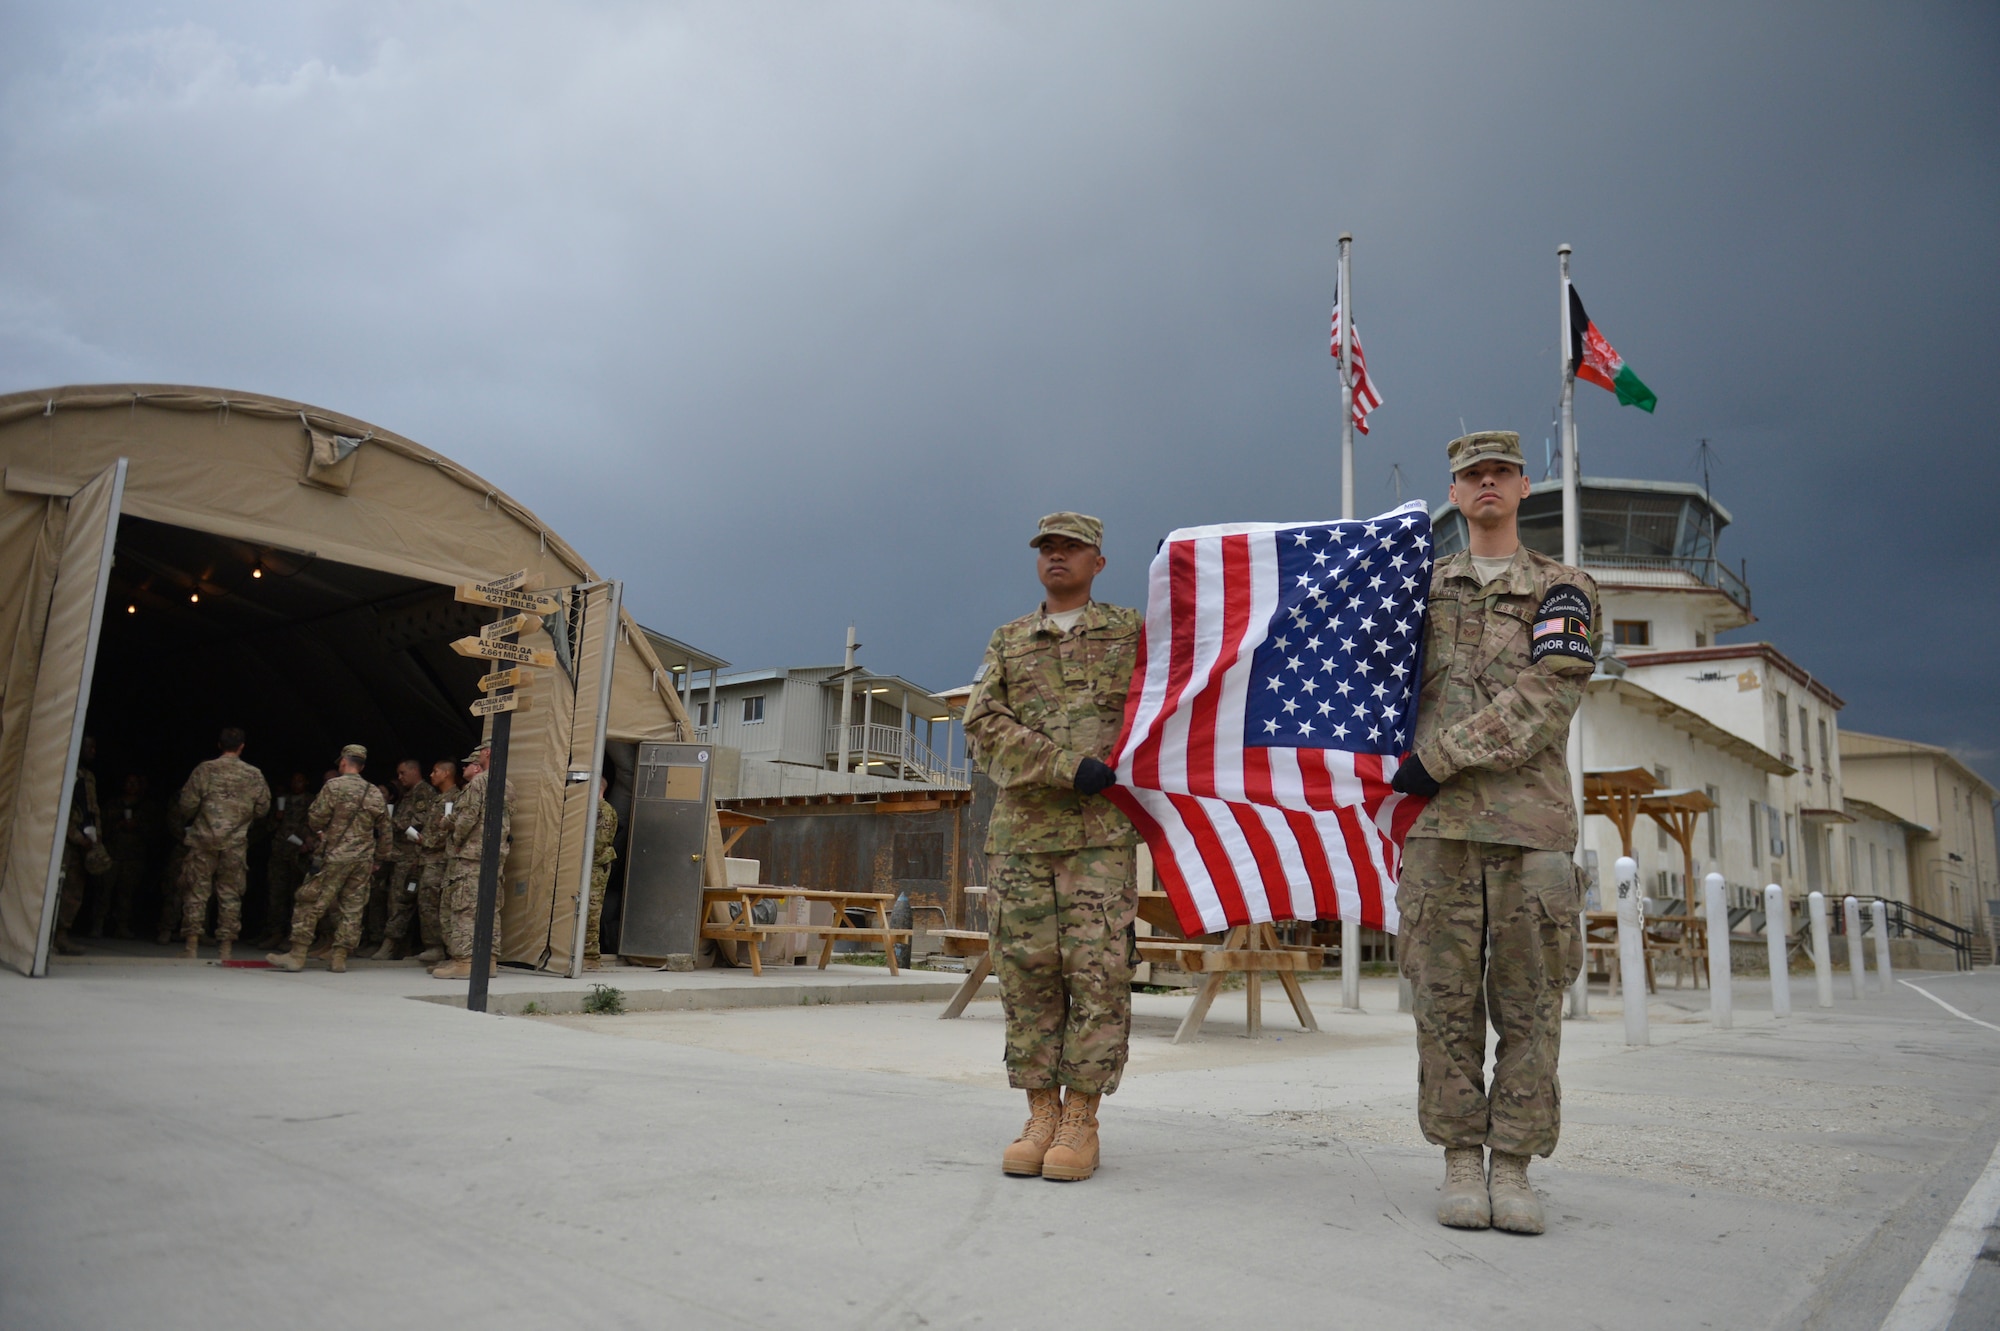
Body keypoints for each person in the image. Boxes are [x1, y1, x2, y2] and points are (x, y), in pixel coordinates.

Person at [1389, 430, 1598, 1236]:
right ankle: (1458, 1159)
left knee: (1530, 1007)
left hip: (1528, 830)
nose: (1486, 484)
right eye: (1471, 474)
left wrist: (1436, 758)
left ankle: (1512, 1165)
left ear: (1523, 485)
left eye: (1499, 473)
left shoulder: (1564, 590)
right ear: (1453, 489)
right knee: (1442, 1007)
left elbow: (1546, 701)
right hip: (1438, 835)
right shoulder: (1418, 589)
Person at [962, 512, 1142, 1182]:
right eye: (1047, 548)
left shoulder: (1130, 632)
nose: (1057, 556)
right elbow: (981, 724)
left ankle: (1081, 1118)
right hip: (1023, 838)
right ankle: (1040, 1110)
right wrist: (1065, 765)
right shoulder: (1009, 642)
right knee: (1027, 973)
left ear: (1099, 559)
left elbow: (1178, 687)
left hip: (1099, 840)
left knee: (1096, 973)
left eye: (1072, 547)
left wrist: (1183, 580)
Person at [268, 745, 390, 974]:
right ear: (361, 766)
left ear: (344, 763)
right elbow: (385, 829)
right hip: (363, 859)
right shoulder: (373, 791)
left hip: (334, 856)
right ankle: (340, 958)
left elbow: (315, 819)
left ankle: (297, 955)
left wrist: (324, 832)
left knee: (309, 900)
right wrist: (379, 859)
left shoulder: (333, 786)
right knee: (352, 908)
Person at [174, 726, 273, 961]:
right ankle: (226, 948)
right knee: (230, 893)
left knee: (197, 891)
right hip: (235, 843)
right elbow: (263, 808)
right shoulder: (253, 774)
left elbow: (186, 804)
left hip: (203, 840)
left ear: (219, 745)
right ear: (242, 747)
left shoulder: (205, 770)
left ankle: (191, 946)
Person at [433, 742, 513, 980]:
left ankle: (465, 961)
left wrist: (457, 839)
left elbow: (468, 817)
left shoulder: (479, 782)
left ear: (487, 753)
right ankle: (488, 961)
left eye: (478, 753)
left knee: (465, 909)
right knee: (490, 909)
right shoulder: (508, 785)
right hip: (494, 856)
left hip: (471, 856)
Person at [373, 759, 438, 960]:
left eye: (402, 773)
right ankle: (402, 946)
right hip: (400, 855)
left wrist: (394, 822)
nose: (400, 778)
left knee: (401, 900)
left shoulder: (423, 793)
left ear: (414, 771)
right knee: (397, 899)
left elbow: (420, 822)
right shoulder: (408, 795)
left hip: (411, 856)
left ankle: (391, 943)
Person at [97, 773, 164, 940]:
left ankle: (122, 926)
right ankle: (97, 925)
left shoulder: (147, 807)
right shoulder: (112, 804)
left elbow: (156, 831)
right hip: (112, 854)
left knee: (127, 894)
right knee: (103, 892)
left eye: (136, 783)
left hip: (134, 856)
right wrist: (118, 825)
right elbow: (101, 826)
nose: (132, 786)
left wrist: (138, 826)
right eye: (129, 782)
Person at [53, 748, 106, 956]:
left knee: (73, 890)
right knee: (56, 887)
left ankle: (61, 935)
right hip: (64, 840)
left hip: (84, 840)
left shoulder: (88, 776)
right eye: (90, 747)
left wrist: (96, 836)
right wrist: (75, 836)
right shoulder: (63, 771)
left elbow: (92, 809)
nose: (93, 751)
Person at [258, 773, 314, 949]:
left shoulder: (312, 801)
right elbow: (268, 827)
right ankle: (275, 932)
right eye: (294, 780)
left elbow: (316, 824)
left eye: (300, 780)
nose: (296, 783)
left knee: (298, 895)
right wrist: (277, 817)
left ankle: (293, 935)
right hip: (280, 853)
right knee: (276, 894)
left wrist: (307, 841)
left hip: (300, 854)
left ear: (306, 782)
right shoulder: (284, 800)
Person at [414, 759, 461, 963]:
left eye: (435, 771)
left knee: (434, 903)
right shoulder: (438, 799)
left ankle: (440, 948)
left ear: (446, 773)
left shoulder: (455, 798)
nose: (431, 775)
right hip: (428, 858)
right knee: (426, 902)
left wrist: (429, 841)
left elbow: (449, 829)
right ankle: (432, 946)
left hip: (439, 859)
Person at [584, 774, 618, 971]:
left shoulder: (602, 810)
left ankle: (590, 956)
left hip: (595, 866)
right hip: (593, 864)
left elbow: (599, 841)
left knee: (591, 910)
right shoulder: (597, 809)